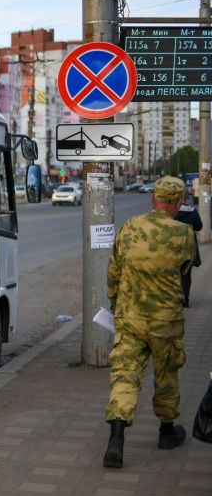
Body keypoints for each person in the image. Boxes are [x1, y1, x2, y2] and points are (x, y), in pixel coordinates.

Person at [103, 176, 195, 469]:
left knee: (125, 375)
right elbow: (184, 268)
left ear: (153, 198)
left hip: (130, 317)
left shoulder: (130, 226)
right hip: (165, 321)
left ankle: (116, 437)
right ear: (179, 203)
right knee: (167, 375)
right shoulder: (183, 233)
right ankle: (167, 432)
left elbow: (114, 270)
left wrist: (115, 302)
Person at [173, 193, 202, 307]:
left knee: (172, 273)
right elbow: (199, 227)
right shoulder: (192, 211)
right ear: (185, 198)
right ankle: (185, 298)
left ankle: (173, 298)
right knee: (186, 274)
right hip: (188, 246)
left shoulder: (169, 212)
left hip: (171, 246)